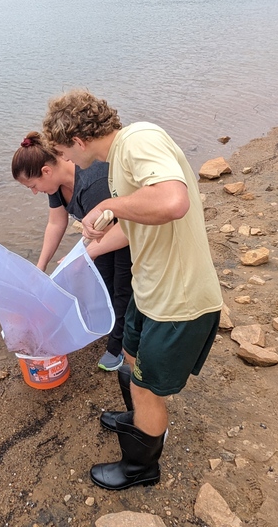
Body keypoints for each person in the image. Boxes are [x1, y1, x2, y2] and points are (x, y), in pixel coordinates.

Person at [42, 90, 222, 491]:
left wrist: (113, 206)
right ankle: (140, 418)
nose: (67, 161)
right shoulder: (117, 158)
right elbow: (136, 222)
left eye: (63, 151)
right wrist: (82, 256)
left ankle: (142, 468)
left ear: (79, 141)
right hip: (150, 287)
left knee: (144, 384)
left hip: (179, 299)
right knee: (129, 353)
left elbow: (173, 201)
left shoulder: (139, 139)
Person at [11, 131, 133, 372]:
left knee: (122, 288)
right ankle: (108, 325)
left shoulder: (94, 183)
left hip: (127, 233)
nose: (35, 191)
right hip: (100, 234)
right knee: (100, 279)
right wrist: (40, 267)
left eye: (33, 186)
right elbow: (56, 223)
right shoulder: (55, 186)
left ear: (46, 171)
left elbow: (118, 230)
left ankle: (119, 347)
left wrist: (83, 255)